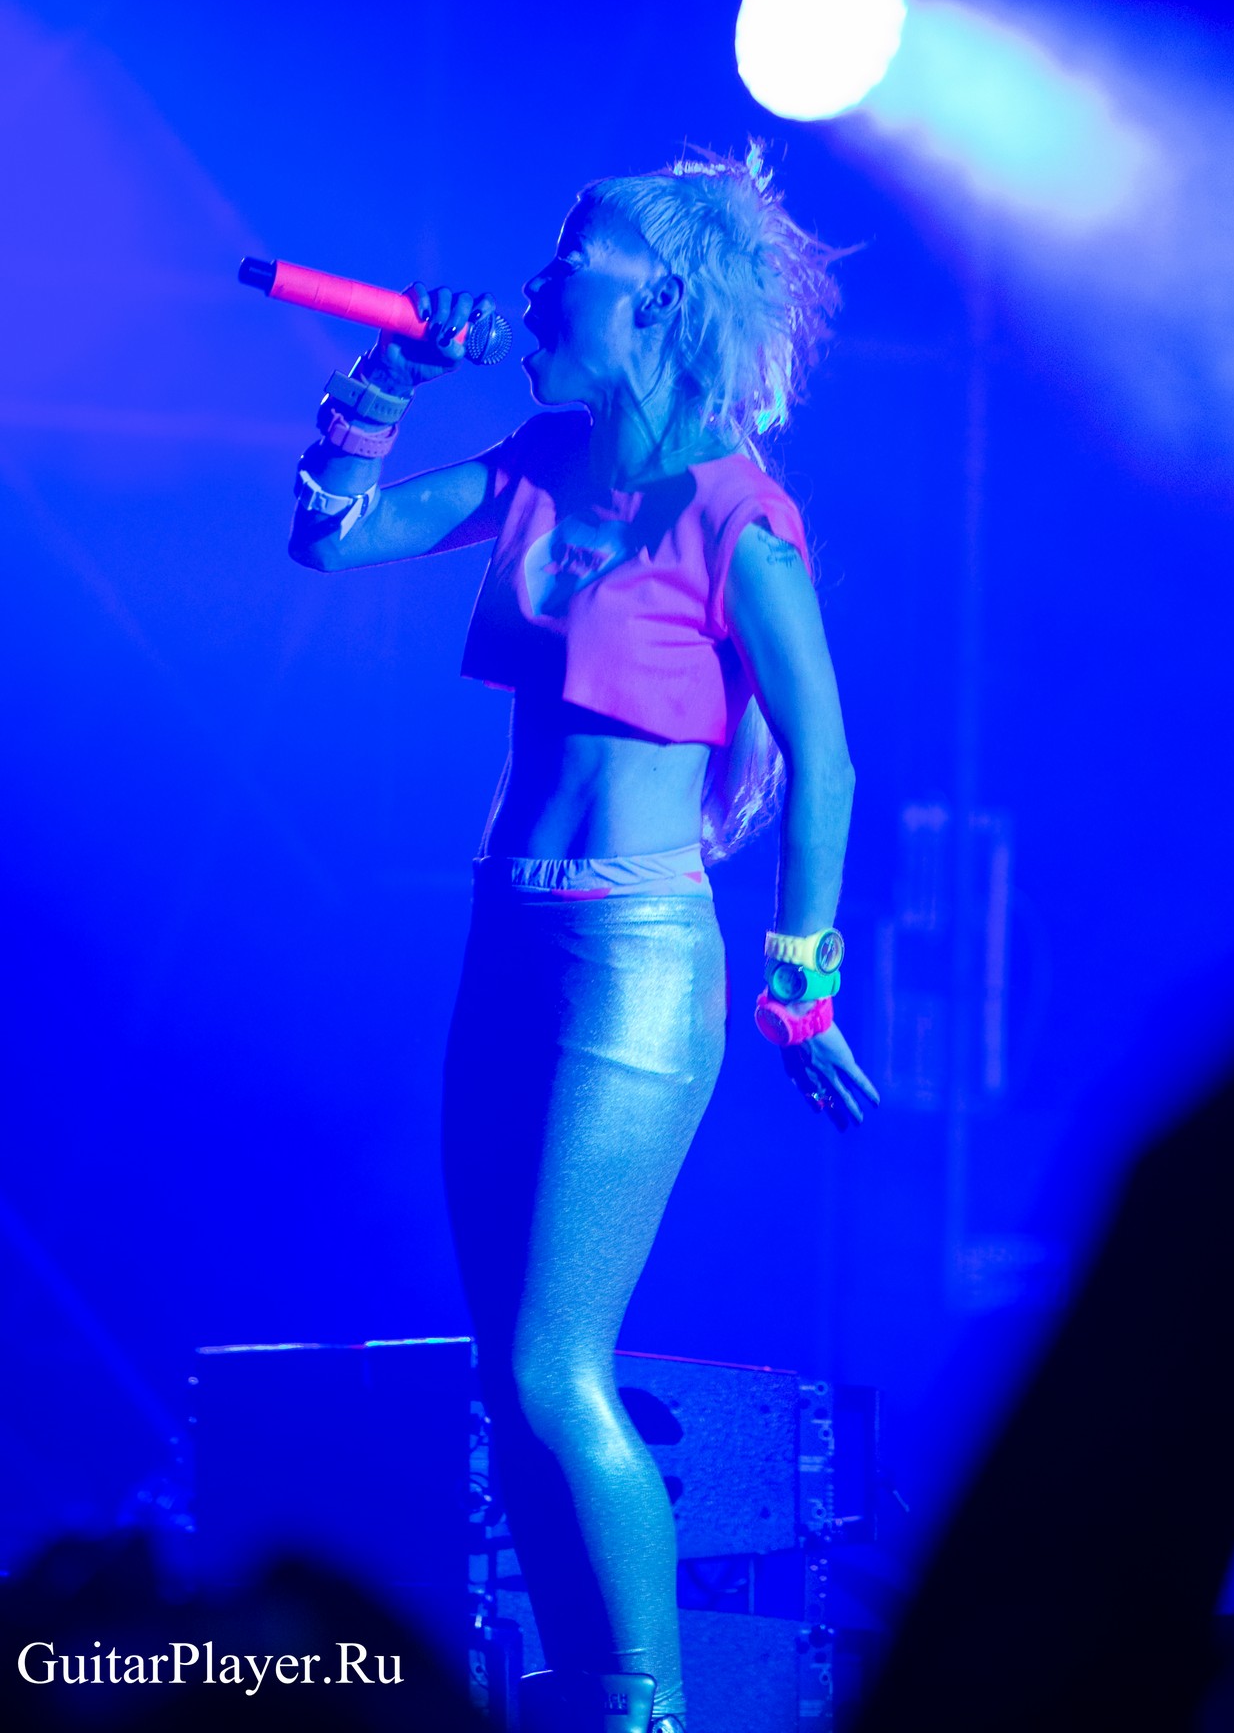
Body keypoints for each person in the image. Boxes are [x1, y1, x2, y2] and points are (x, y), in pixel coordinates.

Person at [287, 145, 879, 1733]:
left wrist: (801, 981)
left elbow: (826, 760)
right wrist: (389, 378)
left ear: (659, 304)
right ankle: (582, 1698)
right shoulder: (543, 461)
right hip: (508, 935)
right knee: (509, 1378)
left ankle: (650, 1711)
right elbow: (332, 538)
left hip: (635, 958)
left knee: (558, 1367)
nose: (537, 288)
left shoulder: (739, 517)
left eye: (572, 268)